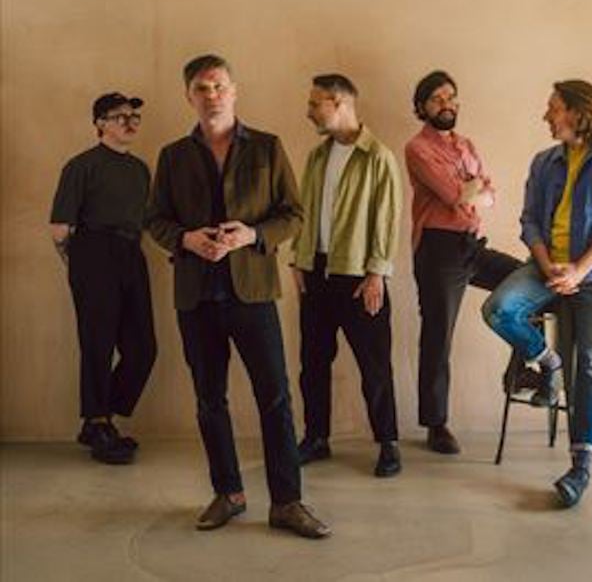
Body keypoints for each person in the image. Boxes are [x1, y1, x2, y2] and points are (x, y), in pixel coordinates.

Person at [148, 54, 330, 538]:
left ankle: (287, 502)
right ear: (189, 96)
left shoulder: (267, 147)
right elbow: (155, 220)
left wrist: (252, 235)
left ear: (234, 90)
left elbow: (293, 215)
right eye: (202, 88)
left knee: (275, 398)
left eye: (219, 86)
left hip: (252, 292)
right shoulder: (172, 156)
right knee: (210, 400)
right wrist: (185, 239)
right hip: (196, 295)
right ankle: (228, 493)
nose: (212, 95)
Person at [482, 79, 592, 507]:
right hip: (546, 267)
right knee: (499, 309)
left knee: (590, 362)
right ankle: (548, 364)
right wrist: (547, 262)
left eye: (553, 108)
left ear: (578, 111)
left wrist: (579, 270)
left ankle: (580, 467)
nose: (546, 116)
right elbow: (530, 221)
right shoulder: (544, 162)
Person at [405, 70, 521, 454]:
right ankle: (436, 424)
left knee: (527, 281)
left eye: (451, 97)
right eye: (437, 99)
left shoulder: (466, 144)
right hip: (437, 249)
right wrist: (469, 191)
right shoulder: (417, 148)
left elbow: (490, 193)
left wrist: (471, 192)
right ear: (422, 107)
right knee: (438, 335)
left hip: (471, 244)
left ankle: (520, 369)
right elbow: (453, 194)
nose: (447, 104)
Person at [292, 74, 403, 477]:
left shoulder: (378, 157)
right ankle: (316, 437)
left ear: (338, 103)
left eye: (315, 104)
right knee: (312, 362)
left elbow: (387, 220)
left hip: (358, 276)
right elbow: (304, 212)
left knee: (374, 365)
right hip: (316, 272)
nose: (308, 112)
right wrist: (298, 260)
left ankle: (388, 443)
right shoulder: (317, 157)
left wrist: (377, 274)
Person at [50, 92, 156, 465]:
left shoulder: (141, 169)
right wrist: (81, 266)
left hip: (131, 252)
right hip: (93, 251)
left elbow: (146, 220)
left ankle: (99, 418)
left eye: (133, 116)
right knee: (98, 342)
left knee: (143, 348)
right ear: (99, 124)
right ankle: (98, 423)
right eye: (119, 116)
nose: (129, 122)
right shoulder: (81, 166)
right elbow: (60, 227)